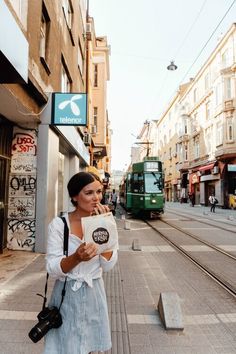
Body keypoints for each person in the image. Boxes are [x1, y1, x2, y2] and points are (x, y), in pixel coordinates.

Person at [43, 172, 118, 354]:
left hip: (94, 293)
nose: (96, 198)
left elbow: (108, 266)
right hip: (65, 294)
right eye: (89, 193)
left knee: (91, 346)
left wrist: (105, 228)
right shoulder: (59, 225)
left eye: (99, 192)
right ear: (75, 196)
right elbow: (53, 269)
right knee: (64, 345)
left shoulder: (107, 222)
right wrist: (76, 257)